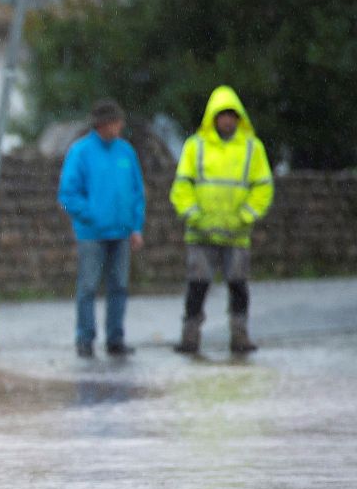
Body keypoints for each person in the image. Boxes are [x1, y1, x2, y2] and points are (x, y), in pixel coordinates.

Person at [170, 85, 274, 354]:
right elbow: (182, 186)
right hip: (201, 233)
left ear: (239, 118)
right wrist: (194, 214)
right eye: (222, 115)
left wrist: (245, 216)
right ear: (213, 117)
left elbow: (263, 187)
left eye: (231, 115)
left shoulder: (253, 148)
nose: (227, 120)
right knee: (197, 286)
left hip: (236, 233)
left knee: (238, 286)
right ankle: (190, 336)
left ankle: (240, 336)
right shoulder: (196, 146)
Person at [57, 99, 146, 358]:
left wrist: (135, 226)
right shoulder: (80, 152)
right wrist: (92, 216)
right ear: (102, 124)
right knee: (88, 287)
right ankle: (85, 339)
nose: (119, 127)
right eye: (116, 122)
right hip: (91, 234)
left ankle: (115, 339)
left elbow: (136, 192)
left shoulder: (126, 152)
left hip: (121, 233)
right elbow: (68, 194)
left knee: (119, 286)